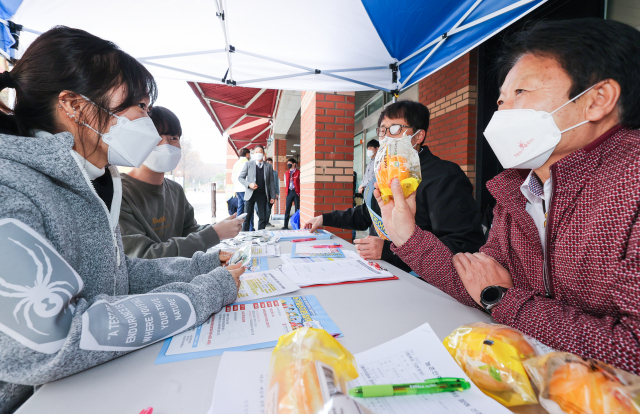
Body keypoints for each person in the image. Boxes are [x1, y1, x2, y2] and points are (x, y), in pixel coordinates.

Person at [376, 19, 640, 374]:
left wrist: (503, 298)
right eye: (500, 100)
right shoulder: (520, 190)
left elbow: (633, 350)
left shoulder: (630, 185)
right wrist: (407, 236)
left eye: (521, 93)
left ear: (597, 100)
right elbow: (475, 281)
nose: (501, 113)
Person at [0, 27, 244, 412]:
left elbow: (118, 274)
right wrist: (203, 293)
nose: (145, 121)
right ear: (74, 106)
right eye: (138, 106)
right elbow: (53, 336)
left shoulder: (94, 178)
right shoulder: (9, 187)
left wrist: (204, 264)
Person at [305, 101, 484, 273]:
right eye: (383, 131)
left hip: (421, 285)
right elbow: (367, 214)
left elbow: (461, 244)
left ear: (419, 136)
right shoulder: (386, 172)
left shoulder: (445, 176)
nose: (387, 137)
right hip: (379, 273)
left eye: (396, 129)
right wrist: (324, 219)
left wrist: (389, 252)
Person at [119, 106, 242, 259]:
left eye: (173, 138)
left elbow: (189, 230)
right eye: (156, 138)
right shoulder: (119, 193)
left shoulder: (175, 190)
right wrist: (214, 233)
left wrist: (218, 227)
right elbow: (143, 256)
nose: (166, 145)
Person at [238, 145, 277, 231]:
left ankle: (261, 236)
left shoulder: (268, 166)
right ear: (253, 154)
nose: (258, 153)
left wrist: (273, 196)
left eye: (260, 152)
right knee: (247, 218)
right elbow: (240, 177)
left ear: (263, 153)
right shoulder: (248, 164)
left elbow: (271, 182)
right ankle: (245, 236)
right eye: (256, 152)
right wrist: (249, 184)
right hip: (250, 195)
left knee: (262, 218)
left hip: (263, 195)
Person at [282, 158, 300, 230]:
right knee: (287, 209)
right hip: (289, 192)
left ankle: (297, 225)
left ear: (294, 164)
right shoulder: (286, 173)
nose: (288, 164)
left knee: (297, 209)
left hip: (296, 192)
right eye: (287, 163)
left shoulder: (298, 172)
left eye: (289, 163)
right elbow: (285, 183)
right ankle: (285, 225)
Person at [232, 148, 250, 216]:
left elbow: (232, 177)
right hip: (244, 188)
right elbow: (248, 177)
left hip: (237, 188)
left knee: (240, 208)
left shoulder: (236, 163)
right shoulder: (247, 162)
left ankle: (237, 225)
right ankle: (250, 226)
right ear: (247, 154)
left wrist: (236, 185)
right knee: (248, 208)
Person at [265, 157, 279, 226]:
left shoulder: (275, 173)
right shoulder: (263, 172)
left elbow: (276, 183)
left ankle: (266, 221)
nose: (269, 164)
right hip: (264, 193)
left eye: (270, 163)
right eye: (268, 163)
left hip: (272, 193)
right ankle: (263, 220)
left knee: (269, 208)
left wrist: (277, 193)